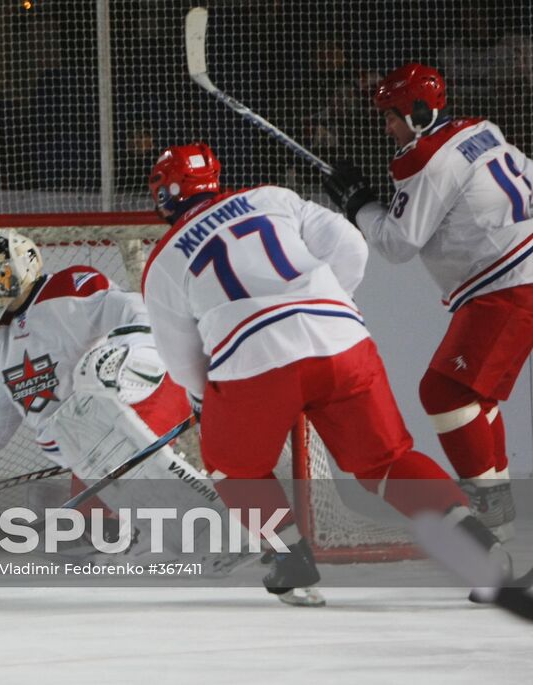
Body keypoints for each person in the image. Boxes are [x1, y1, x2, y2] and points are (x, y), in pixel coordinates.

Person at [143, 142, 508, 604]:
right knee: (387, 461)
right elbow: (351, 244)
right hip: (340, 341)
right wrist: (330, 306)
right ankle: (481, 548)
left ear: (166, 194)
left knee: (234, 468)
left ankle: (290, 561)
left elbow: (180, 358)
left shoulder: (164, 260)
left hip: (252, 362)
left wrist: (205, 403)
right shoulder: (272, 197)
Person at [0, 230, 254, 585]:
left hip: (141, 389)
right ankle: (152, 532)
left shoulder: (69, 287)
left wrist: (130, 353)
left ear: (18, 269)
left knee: (94, 401)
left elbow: (134, 311)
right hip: (87, 440)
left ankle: (214, 533)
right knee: (85, 518)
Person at [320, 63, 533, 541]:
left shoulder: (424, 157)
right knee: (474, 397)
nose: (388, 127)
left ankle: (490, 510)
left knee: (443, 393)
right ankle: (496, 508)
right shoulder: (481, 129)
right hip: (514, 278)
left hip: (507, 285)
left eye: (392, 116)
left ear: (418, 111)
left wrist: (358, 205)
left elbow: (397, 244)